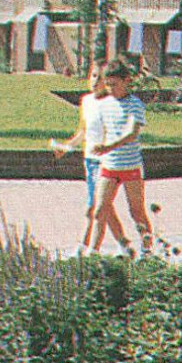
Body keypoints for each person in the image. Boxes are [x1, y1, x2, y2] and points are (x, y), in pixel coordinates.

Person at [52, 62, 128, 255]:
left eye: (100, 78)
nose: (95, 81)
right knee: (104, 207)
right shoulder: (86, 101)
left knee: (94, 207)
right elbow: (83, 131)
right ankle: (124, 245)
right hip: (89, 161)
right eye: (93, 76)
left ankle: (85, 248)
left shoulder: (111, 103)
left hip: (106, 162)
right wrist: (67, 147)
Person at [90, 60, 154, 256]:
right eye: (108, 84)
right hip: (109, 165)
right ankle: (94, 251)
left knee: (136, 211)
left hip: (130, 166)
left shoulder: (135, 104)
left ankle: (147, 249)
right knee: (100, 209)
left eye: (115, 85)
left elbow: (132, 133)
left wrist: (108, 147)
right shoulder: (104, 105)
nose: (111, 89)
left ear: (127, 81)